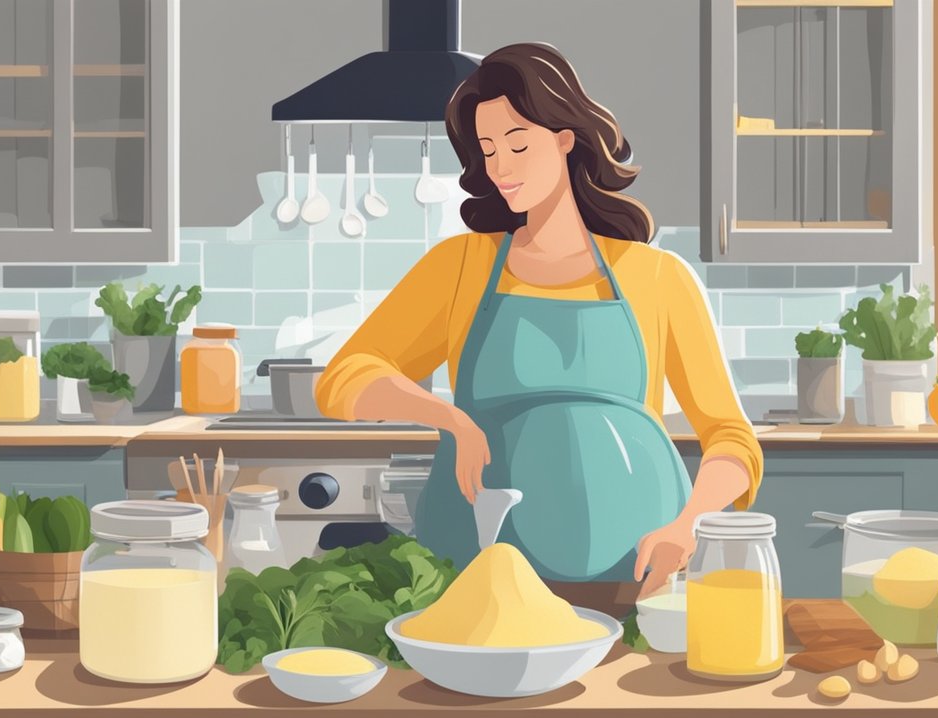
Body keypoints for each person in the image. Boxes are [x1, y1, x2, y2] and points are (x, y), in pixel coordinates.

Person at [314, 42, 763, 606]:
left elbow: (731, 439)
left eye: (518, 145)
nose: (500, 167)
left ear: (564, 139)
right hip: (475, 577)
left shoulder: (656, 278)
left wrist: (689, 522)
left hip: (637, 577)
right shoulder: (461, 268)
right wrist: (447, 416)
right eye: (487, 150)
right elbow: (344, 379)